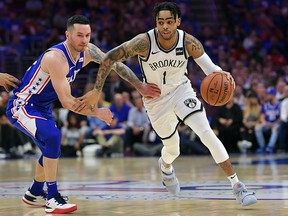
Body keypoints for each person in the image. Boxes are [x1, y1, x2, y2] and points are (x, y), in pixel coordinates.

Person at [84, 2, 257, 206]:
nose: (164, 26)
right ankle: (166, 167)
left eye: (169, 21)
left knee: (206, 133)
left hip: (181, 91)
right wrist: (132, 86)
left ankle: (237, 186)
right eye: (160, 22)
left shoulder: (189, 42)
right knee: (173, 149)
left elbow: (210, 69)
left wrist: (222, 75)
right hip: (155, 100)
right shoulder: (143, 42)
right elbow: (110, 58)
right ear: (156, 23)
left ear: (178, 21)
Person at [5, 15, 160, 214]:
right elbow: (67, 102)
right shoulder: (56, 58)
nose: (84, 40)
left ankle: (34, 193)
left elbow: (113, 64)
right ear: (67, 35)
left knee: (50, 147)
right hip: (23, 105)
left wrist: (140, 86)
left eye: (87, 35)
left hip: (42, 107)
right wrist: (97, 112)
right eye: (79, 35)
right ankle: (52, 197)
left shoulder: (87, 51)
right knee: (53, 139)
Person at [255, 87, 281, 153]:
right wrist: (265, 123)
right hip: (267, 123)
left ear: (273, 95)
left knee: (275, 128)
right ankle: (262, 146)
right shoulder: (266, 105)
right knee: (257, 127)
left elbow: (281, 117)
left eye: (268, 94)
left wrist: (274, 124)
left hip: (277, 123)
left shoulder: (280, 104)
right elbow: (262, 117)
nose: (267, 96)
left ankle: (270, 147)